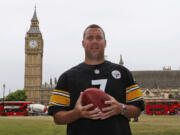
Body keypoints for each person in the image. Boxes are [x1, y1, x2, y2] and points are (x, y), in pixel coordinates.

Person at [48, 24, 144, 135]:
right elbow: (57, 117)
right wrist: (76, 113)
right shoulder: (67, 77)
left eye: (99, 38)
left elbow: (137, 109)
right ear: (83, 43)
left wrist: (120, 108)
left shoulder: (123, 73)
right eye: (90, 38)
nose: (94, 41)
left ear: (105, 43)